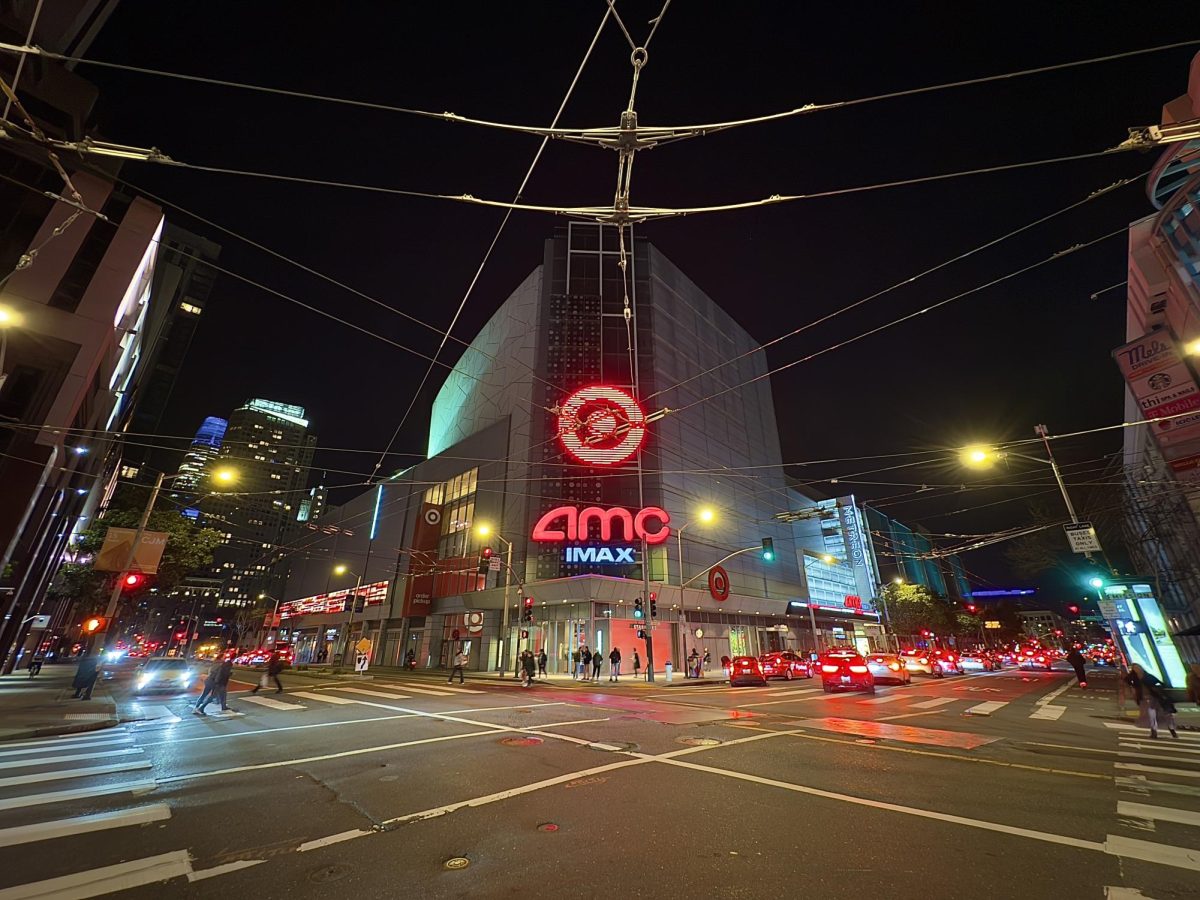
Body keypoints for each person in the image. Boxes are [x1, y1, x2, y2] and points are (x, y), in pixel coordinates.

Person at [1126, 663, 1178, 739]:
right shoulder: (1134, 678)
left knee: (1166, 716)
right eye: (1135, 669)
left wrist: (1159, 692)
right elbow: (1126, 680)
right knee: (1152, 715)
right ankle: (1154, 731)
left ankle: (1172, 730)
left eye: (1138, 668)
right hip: (1146, 699)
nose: (1137, 670)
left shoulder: (1148, 677)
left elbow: (1160, 685)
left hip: (1157, 699)